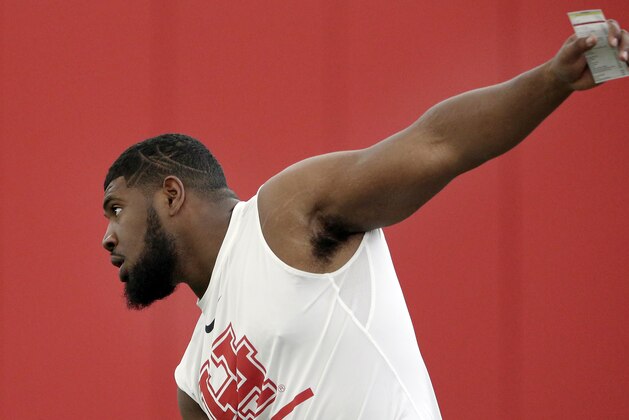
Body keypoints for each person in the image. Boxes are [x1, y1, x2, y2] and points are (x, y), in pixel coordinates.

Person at [102, 20, 628, 420]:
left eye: (117, 208)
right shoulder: (194, 384)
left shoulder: (283, 216)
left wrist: (551, 81)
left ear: (171, 194)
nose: (106, 237)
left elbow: (437, 144)